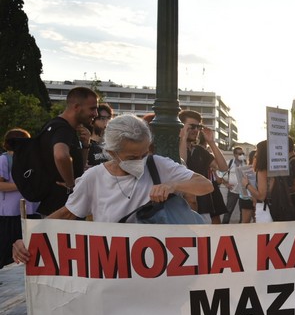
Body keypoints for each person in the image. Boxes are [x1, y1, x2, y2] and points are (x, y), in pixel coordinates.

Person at [11, 115, 213, 263]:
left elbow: (205, 185)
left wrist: (173, 185)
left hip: (163, 263)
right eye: (132, 157)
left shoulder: (158, 165)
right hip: (116, 268)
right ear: (111, 152)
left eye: (144, 154)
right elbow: (67, 214)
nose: (140, 161)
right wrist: (28, 238)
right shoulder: (93, 178)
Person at [37, 86, 98, 216]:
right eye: (92, 108)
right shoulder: (62, 128)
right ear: (76, 107)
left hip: (60, 206)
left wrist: (86, 146)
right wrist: (71, 186)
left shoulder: (60, 127)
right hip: (59, 207)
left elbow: (79, 168)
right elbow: (61, 155)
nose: (95, 114)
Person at [178, 110, 228, 223]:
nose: (196, 130)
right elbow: (181, 165)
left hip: (204, 206)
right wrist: (183, 137)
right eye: (191, 126)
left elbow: (223, 167)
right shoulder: (173, 148)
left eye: (198, 127)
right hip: (183, 206)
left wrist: (211, 142)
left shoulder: (199, 150)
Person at [1, 129, 40, 268]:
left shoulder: (32, 160)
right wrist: (21, 186)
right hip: (10, 216)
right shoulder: (5, 159)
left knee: (30, 254)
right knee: (8, 256)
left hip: (32, 212)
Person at [242, 140, 274, 223]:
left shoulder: (262, 171)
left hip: (265, 209)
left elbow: (261, 196)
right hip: (274, 207)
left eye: (257, 151)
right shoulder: (274, 169)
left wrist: (247, 185)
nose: (256, 154)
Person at [221, 145, 247, 224]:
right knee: (228, 210)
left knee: (243, 211)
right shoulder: (229, 163)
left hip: (243, 191)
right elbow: (219, 174)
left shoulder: (245, 164)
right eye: (239, 154)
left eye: (242, 153)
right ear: (235, 154)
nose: (241, 155)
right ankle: (224, 227)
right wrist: (226, 184)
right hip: (233, 191)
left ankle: (241, 227)